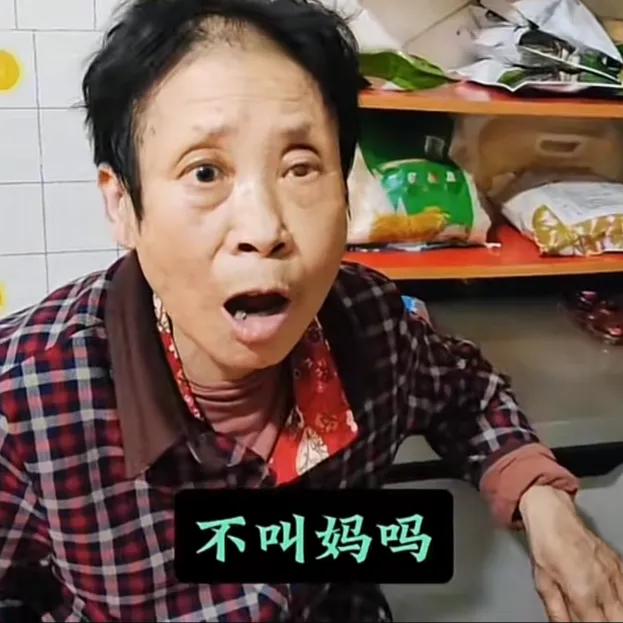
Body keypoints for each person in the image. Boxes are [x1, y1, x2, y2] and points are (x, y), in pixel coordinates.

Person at [0, 0, 622, 621]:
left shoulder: (370, 324)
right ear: (122, 205)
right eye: (206, 172)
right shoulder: (26, 401)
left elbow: (467, 391)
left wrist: (544, 502)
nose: (264, 229)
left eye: (300, 168)